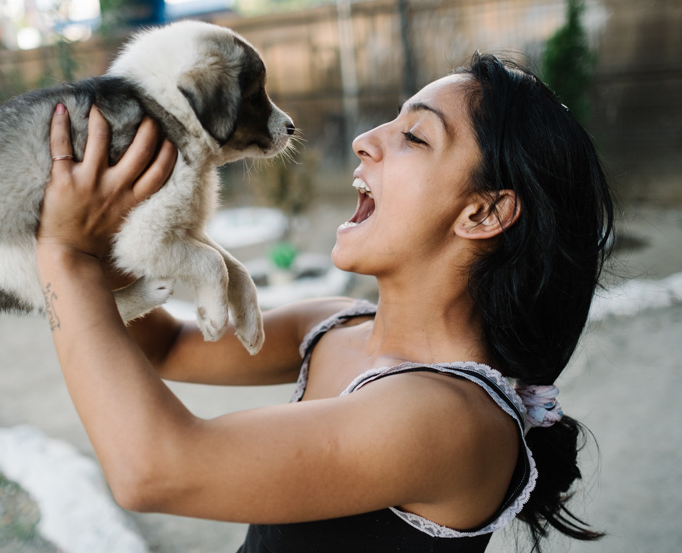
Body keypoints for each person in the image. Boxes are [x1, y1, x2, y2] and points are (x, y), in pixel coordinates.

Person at [35, 53, 613, 552]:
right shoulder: (333, 324)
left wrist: (65, 254)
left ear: (483, 213)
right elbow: (165, 346)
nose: (366, 140)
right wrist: (105, 233)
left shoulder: (450, 419)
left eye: (414, 136)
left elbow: (154, 470)